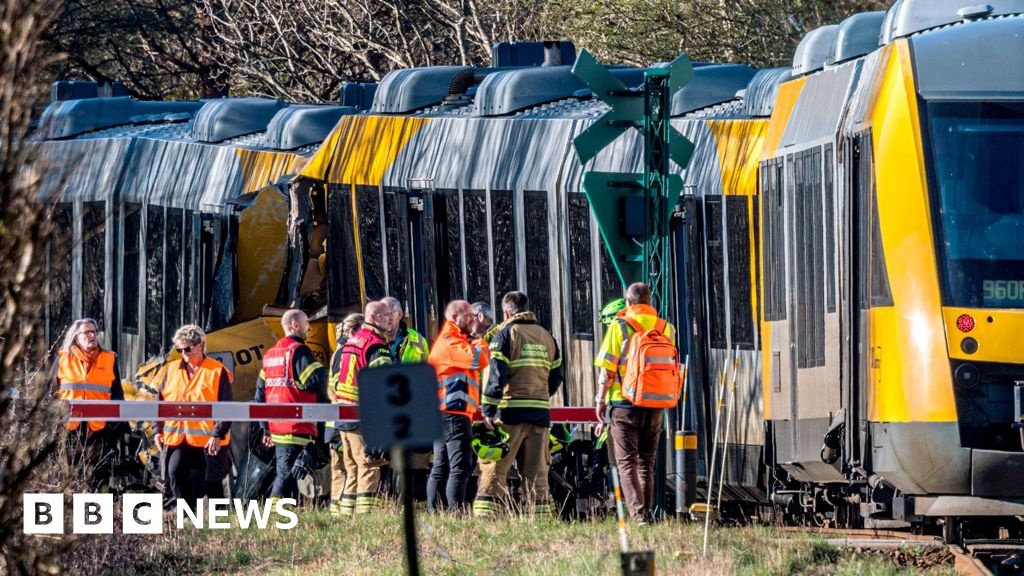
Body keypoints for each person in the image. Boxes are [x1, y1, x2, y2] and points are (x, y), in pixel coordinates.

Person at [474, 291, 563, 517]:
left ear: (506, 312)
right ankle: (539, 518)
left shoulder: (505, 335)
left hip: (510, 413)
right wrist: (540, 394)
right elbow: (556, 377)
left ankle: (486, 516)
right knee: (537, 471)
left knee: (495, 466)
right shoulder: (547, 337)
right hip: (540, 413)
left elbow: (496, 376)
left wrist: (488, 409)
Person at [594, 282, 677, 525]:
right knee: (646, 463)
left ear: (629, 302)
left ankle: (639, 516)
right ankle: (645, 515)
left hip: (624, 404)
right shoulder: (666, 327)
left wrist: (600, 400)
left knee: (627, 463)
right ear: (650, 302)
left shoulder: (619, 326)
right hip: (655, 404)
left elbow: (608, 369)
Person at [154, 325, 233, 508]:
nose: (183, 353)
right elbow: (159, 403)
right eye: (179, 350)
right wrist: (157, 430)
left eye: (187, 348)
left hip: (209, 440)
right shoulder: (171, 370)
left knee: (212, 484)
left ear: (201, 345)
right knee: (175, 473)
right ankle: (188, 517)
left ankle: (220, 522)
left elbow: (227, 408)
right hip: (178, 439)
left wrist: (217, 434)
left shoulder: (217, 371)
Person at [254, 309, 329, 501]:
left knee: (290, 478)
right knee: (287, 479)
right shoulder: (298, 351)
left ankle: (283, 513)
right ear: (295, 325)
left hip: (278, 429)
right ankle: (276, 514)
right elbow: (316, 380)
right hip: (296, 427)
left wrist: (265, 428)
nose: (309, 328)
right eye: (306, 323)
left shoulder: (270, 355)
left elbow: (260, 396)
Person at [427, 300, 490, 513]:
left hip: (444, 413)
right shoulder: (451, 342)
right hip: (453, 413)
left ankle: (436, 511)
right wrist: (479, 338)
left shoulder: (453, 340)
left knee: (442, 465)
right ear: (455, 317)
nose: (473, 319)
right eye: (469, 315)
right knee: (460, 467)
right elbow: (480, 360)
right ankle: (455, 512)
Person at [335, 301, 394, 515]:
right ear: (374, 317)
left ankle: (346, 516)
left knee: (352, 468)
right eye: (386, 315)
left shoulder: (352, 341)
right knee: (369, 465)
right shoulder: (376, 344)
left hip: (344, 413)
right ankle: (365, 517)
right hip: (363, 415)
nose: (390, 319)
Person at [53, 318, 124, 491]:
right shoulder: (63, 358)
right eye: (87, 332)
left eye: (94, 332)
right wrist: (55, 420)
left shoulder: (109, 359)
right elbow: (50, 392)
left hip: (99, 429)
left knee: (98, 479)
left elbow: (117, 395)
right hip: (69, 428)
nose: (92, 335)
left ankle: (97, 506)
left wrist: (113, 425)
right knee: (69, 478)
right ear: (76, 337)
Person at [327, 312, 364, 516]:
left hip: (335, 421)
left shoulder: (338, 352)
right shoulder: (349, 352)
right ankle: (347, 512)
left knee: (341, 469)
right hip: (346, 420)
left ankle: (337, 513)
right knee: (352, 467)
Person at [381, 296, 429, 362]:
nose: (385, 318)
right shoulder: (373, 340)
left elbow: (426, 365)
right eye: (382, 314)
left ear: (400, 314)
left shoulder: (418, 339)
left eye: (389, 313)